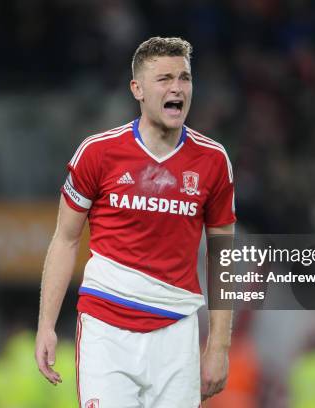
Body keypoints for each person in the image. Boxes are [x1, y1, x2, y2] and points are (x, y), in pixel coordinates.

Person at [35, 36, 236, 407]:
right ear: (137, 89)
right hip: (106, 329)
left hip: (176, 332)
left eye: (184, 78)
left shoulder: (213, 161)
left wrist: (219, 346)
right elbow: (65, 239)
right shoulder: (97, 153)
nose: (177, 87)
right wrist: (46, 325)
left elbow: (223, 255)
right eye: (164, 79)